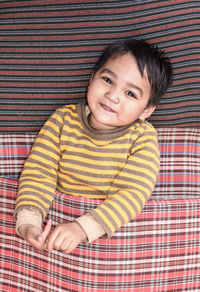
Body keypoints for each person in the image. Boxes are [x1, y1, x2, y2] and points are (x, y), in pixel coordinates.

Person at [14, 38, 173, 254]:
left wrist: (82, 228)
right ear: (91, 79)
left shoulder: (142, 138)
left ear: (146, 111)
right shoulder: (62, 120)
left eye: (130, 93)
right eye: (107, 80)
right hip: (52, 236)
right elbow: (39, 173)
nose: (112, 95)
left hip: (107, 243)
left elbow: (132, 193)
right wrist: (28, 223)